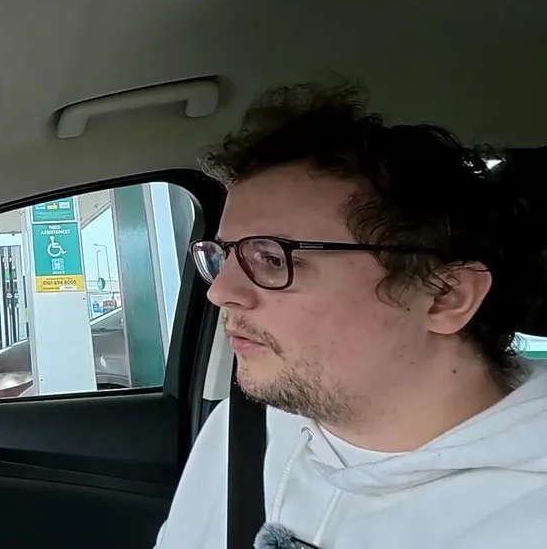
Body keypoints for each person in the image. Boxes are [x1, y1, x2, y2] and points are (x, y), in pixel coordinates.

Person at [153, 84, 547, 548]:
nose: (220, 292)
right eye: (223, 255)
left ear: (444, 297)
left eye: (272, 258)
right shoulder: (241, 432)